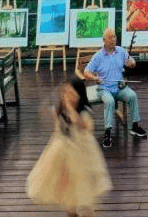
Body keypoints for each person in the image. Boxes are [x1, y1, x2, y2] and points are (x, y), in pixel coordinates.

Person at [27, 80, 112, 217]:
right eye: (64, 92)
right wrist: (51, 117)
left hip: (83, 160)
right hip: (64, 158)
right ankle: (71, 212)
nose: (65, 96)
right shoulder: (61, 111)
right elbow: (57, 130)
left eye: (70, 93)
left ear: (79, 95)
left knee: (85, 197)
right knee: (68, 195)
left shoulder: (83, 112)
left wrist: (70, 108)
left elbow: (83, 126)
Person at [82, 28, 147, 148]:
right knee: (110, 102)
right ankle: (107, 133)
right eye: (110, 37)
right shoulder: (98, 56)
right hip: (104, 89)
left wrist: (132, 63)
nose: (113, 39)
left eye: (114, 36)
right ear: (104, 40)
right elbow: (86, 72)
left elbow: (131, 61)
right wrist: (95, 78)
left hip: (119, 87)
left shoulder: (121, 51)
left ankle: (135, 126)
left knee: (133, 96)